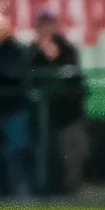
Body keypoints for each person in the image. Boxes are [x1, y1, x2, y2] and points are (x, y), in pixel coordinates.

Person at [28, 12, 86, 196]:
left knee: (72, 154)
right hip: (41, 115)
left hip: (68, 113)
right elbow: (28, 77)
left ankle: (71, 190)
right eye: (41, 26)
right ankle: (44, 189)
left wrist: (55, 57)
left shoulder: (67, 49)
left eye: (49, 25)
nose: (45, 30)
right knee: (44, 154)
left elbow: (76, 78)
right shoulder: (31, 51)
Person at [0, 11, 28, 197]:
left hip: (13, 110)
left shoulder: (17, 50)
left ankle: (17, 192)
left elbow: (15, 73)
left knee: (16, 152)